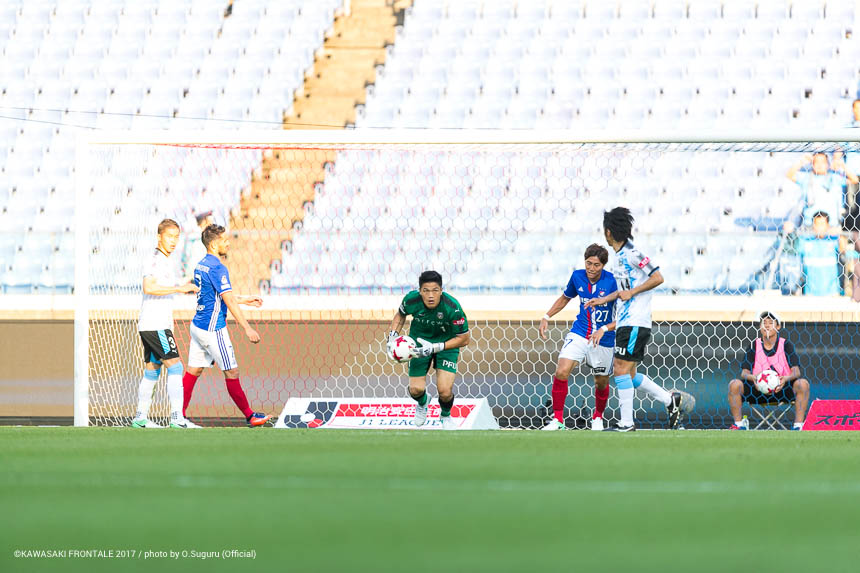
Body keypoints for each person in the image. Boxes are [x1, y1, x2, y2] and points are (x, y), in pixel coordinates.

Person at [585, 207, 684, 431]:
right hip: (625, 321)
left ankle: (627, 423)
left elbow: (658, 277)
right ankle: (669, 400)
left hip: (635, 321)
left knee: (619, 369)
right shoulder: (619, 257)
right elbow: (624, 290)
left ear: (608, 231)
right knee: (629, 373)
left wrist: (633, 292)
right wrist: (604, 299)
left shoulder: (633, 253)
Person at [179, 224, 271, 428]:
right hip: (213, 330)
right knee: (232, 372)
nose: (228, 243)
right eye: (224, 240)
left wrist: (244, 300)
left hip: (198, 326)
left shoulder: (201, 265)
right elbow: (227, 300)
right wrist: (247, 328)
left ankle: (178, 415)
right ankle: (250, 416)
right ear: (213, 244)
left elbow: (215, 296)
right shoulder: (218, 268)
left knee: (193, 371)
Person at [538, 244, 617, 431]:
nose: (591, 268)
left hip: (604, 338)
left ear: (603, 265)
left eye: (596, 265)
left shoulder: (612, 282)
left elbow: (623, 315)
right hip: (580, 333)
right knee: (562, 371)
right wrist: (546, 316)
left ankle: (598, 417)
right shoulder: (577, 277)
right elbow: (565, 298)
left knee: (601, 382)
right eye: (588, 263)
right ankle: (557, 420)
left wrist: (604, 329)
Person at [132, 219, 200, 428]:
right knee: (176, 367)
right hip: (156, 324)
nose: (173, 241)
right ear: (159, 236)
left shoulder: (165, 260)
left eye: (176, 237)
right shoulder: (154, 260)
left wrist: (183, 284)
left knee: (152, 370)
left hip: (152, 324)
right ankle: (177, 418)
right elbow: (149, 288)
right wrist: (178, 289)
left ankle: (140, 418)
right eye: (169, 236)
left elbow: (163, 285)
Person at [386, 271, 470, 430]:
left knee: (445, 391)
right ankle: (423, 403)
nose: (431, 295)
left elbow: (464, 339)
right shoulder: (411, 300)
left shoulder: (452, 307)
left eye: (435, 290)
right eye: (426, 291)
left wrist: (436, 347)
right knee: (415, 390)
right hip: (418, 344)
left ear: (441, 290)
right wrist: (392, 336)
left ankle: (445, 416)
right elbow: (400, 315)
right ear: (420, 291)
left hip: (446, 345)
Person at [727, 311, 810, 431]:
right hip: (758, 390)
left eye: (771, 323)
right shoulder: (754, 345)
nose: (767, 325)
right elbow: (744, 373)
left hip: (782, 389)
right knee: (734, 384)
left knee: (803, 384)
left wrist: (785, 379)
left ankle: (798, 426)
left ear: (778, 326)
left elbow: (796, 372)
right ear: (760, 327)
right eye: (763, 323)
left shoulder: (785, 344)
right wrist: (754, 378)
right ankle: (739, 425)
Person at [785, 152, 858, 231]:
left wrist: (841, 164)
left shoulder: (834, 178)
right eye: (816, 162)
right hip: (810, 226)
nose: (819, 165)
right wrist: (801, 161)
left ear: (828, 164)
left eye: (823, 162)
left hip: (832, 227)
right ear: (812, 164)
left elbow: (854, 180)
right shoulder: (806, 177)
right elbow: (789, 175)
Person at [797, 211, 842, 296]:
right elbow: (794, 250)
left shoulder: (833, 241)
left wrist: (840, 233)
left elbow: (844, 249)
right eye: (816, 224)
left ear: (827, 225)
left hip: (832, 293)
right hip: (810, 293)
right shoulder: (805, 241)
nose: (819, 227)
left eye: (822, 224)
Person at [183, 211, 213, 282]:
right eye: (209, 221)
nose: (211, 223)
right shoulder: (195, 237)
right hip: (194, 273)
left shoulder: (194, 236)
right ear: (203, 222)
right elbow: (186, 256)